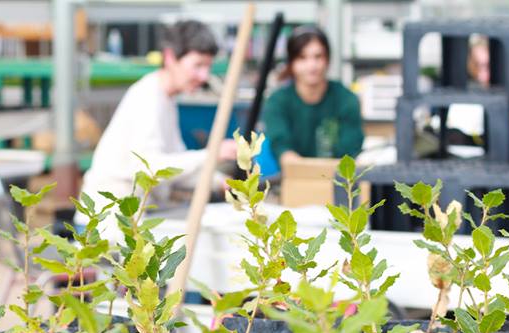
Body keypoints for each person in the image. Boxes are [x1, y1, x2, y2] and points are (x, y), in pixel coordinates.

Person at [80, 20, 237, 226]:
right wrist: (211, 154)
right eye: (198, 65)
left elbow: (176, 169)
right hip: (107, 226)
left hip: (133, 220)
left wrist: (218, 181)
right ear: (171, 57)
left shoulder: (166, 99)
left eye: (208, 66)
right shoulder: (148, 97)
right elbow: (151, 169)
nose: (204, 76)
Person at [263, 26, 364, 164]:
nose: (312, 66)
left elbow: (350, 150)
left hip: (340, 180)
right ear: (291, 63)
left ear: (327, 59)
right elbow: (281, 146)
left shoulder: (346, 99)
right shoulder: (277, 102)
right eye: (302, 58)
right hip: (294, 179)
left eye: (318, 56)